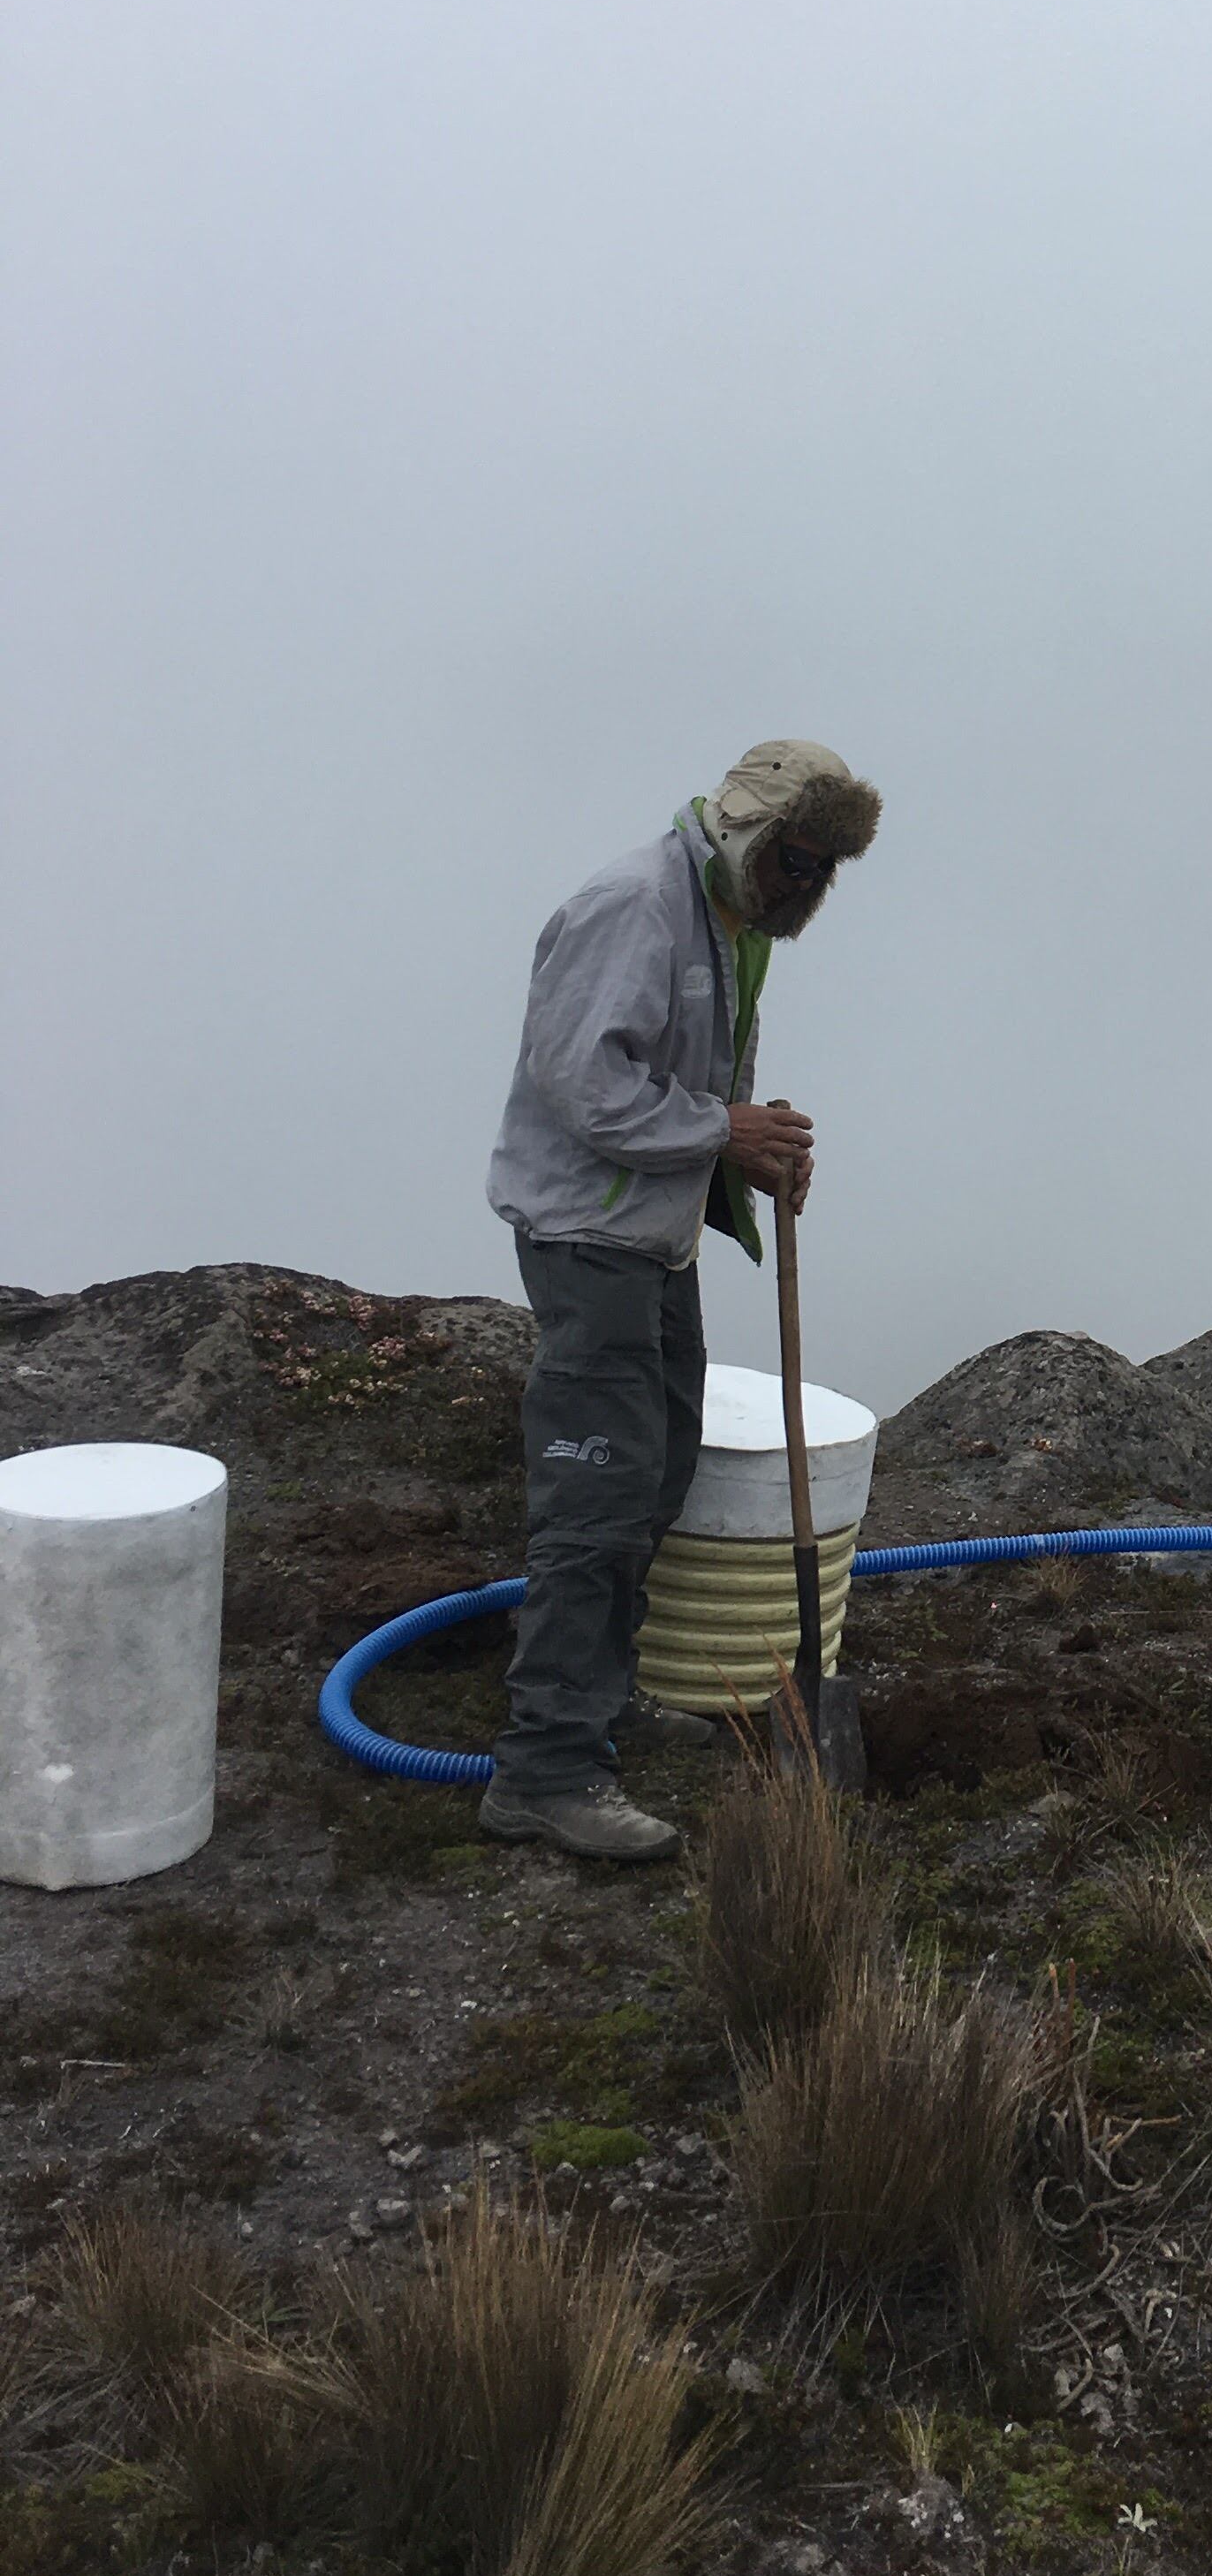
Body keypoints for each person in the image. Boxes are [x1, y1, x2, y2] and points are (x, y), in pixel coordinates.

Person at [481, 739, 882, 1858]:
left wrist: (746, 1155)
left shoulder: (728, 926)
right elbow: (582, 1083)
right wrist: (722, 1132)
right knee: (595, 1505)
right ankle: (546, 1771)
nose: (807, 888)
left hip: (651, 1246)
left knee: (658, 1471)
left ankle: (597, 1706)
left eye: (827, 872)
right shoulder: (636, 910)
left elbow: (700, 1084)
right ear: (752, 835)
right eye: (798, 860)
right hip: (590, 1242)